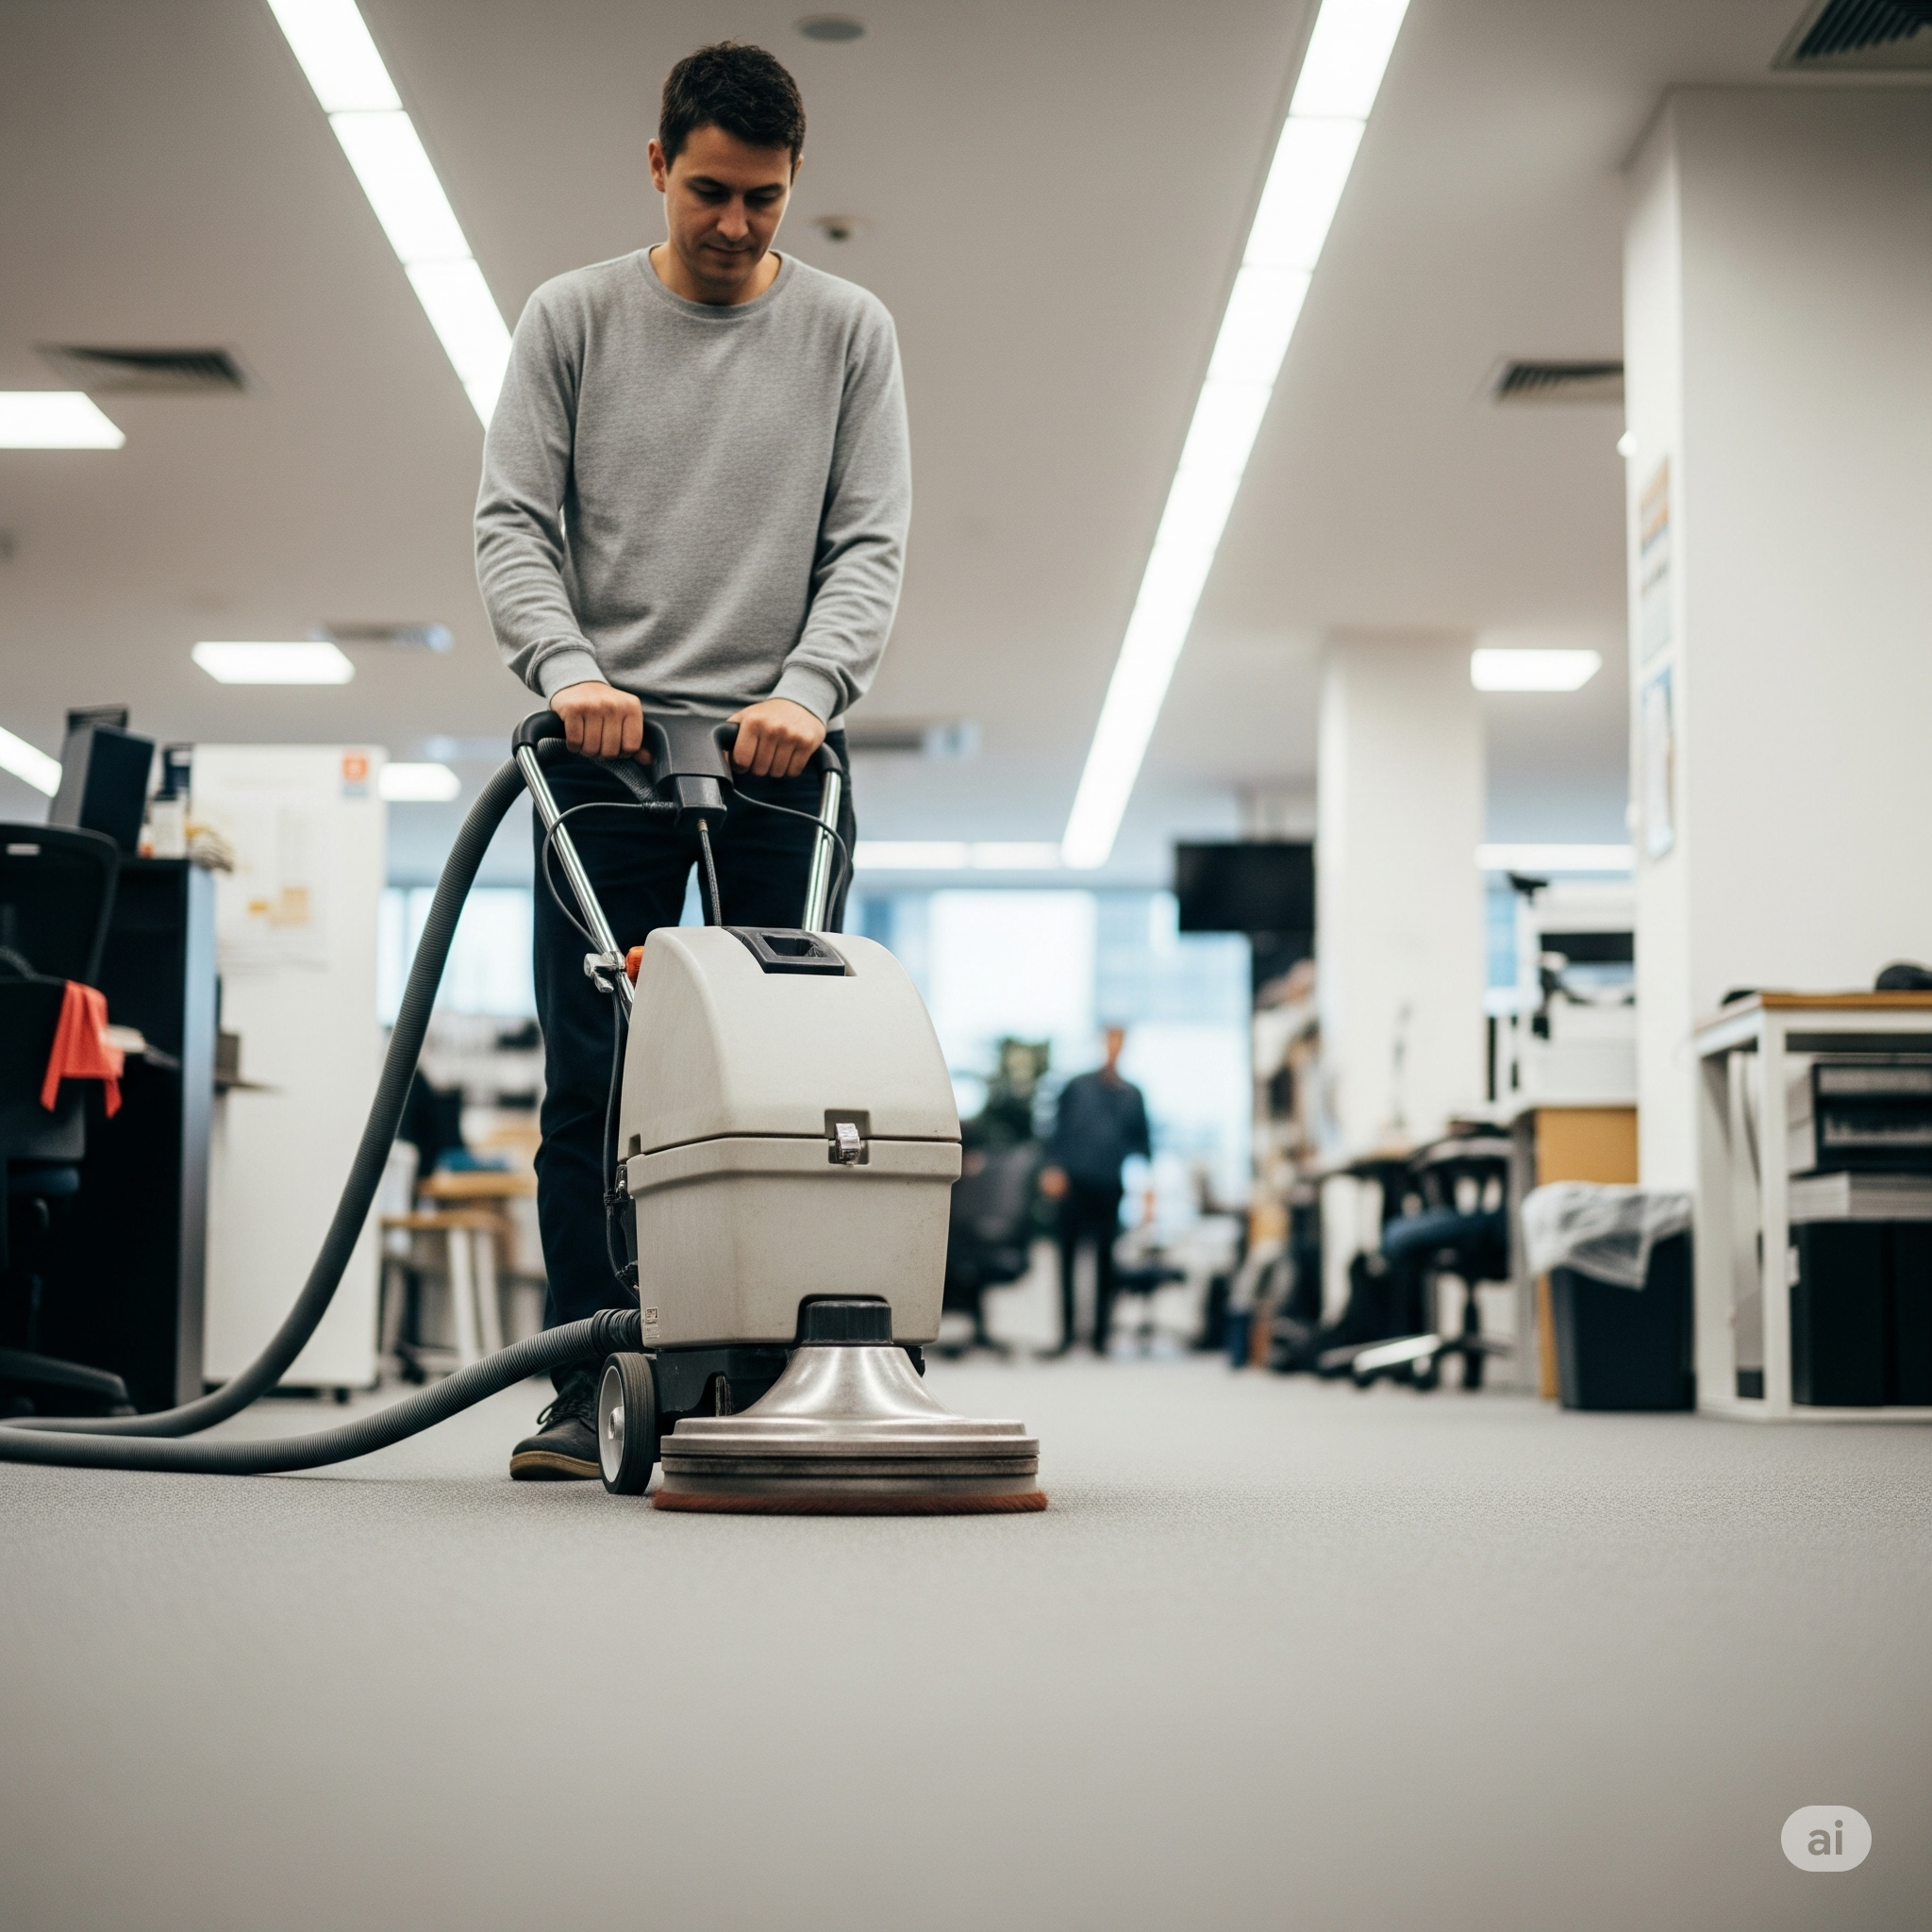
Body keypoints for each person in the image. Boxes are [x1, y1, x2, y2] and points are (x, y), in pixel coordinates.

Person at [474, 42, 910, 1479]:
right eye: (711, 192)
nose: (734, 226)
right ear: (657, 165)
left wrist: (807, 688)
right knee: (597, 1072)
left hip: (777, 755)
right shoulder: (572, 318)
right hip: (601, 749)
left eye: (766, 202)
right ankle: (584, 1370)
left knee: (786, 1069)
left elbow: (865, 546)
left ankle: (772, 1350)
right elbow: (515, 525)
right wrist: (571, 671)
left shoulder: (851, 332)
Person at [1039, 1027, 1151, 1357]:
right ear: (1102, 1043)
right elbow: (1054, 1131)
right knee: (1068, 1262)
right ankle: (1066, 1336)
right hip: (1073, 1185)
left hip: (1108, 1187)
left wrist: (1148, 1191)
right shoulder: (1077, 1087)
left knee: (1106, 1263)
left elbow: (1143, 1145)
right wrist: (1052, 1168)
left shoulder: (1132, 1094)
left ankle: (1101, 1337)